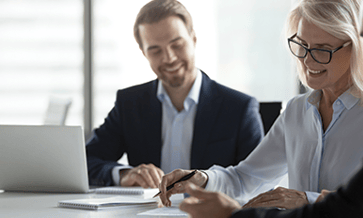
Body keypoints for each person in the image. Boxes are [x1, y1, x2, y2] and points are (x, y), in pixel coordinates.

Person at [176, 0, 363, 217]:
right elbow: (246, 178)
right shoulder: (298, 110)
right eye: (302, 45)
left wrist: (307, 199)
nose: (307, 60)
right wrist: (204, 179)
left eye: (322, 49)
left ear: (356, 47)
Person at [86, 0, 264, 188]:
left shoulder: (239, 108)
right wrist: (124, 174)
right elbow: (87, 161)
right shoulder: (129, 104)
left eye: (177, 45)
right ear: (144, 53)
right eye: (155, 50)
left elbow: (259, 182)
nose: (169, 58)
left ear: (193, 39)